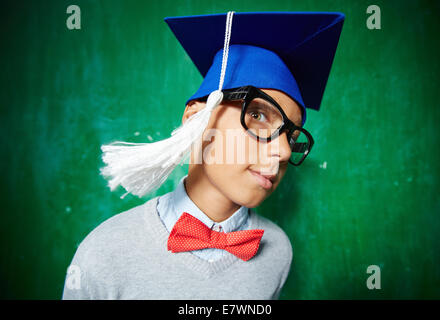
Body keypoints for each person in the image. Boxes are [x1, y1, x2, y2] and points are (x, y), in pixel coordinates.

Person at [62, 11, 345, 300]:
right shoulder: (104, 253)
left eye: (292, 136)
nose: (284, 151)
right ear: (196, 118)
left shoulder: (277, 251)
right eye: (258, 114)